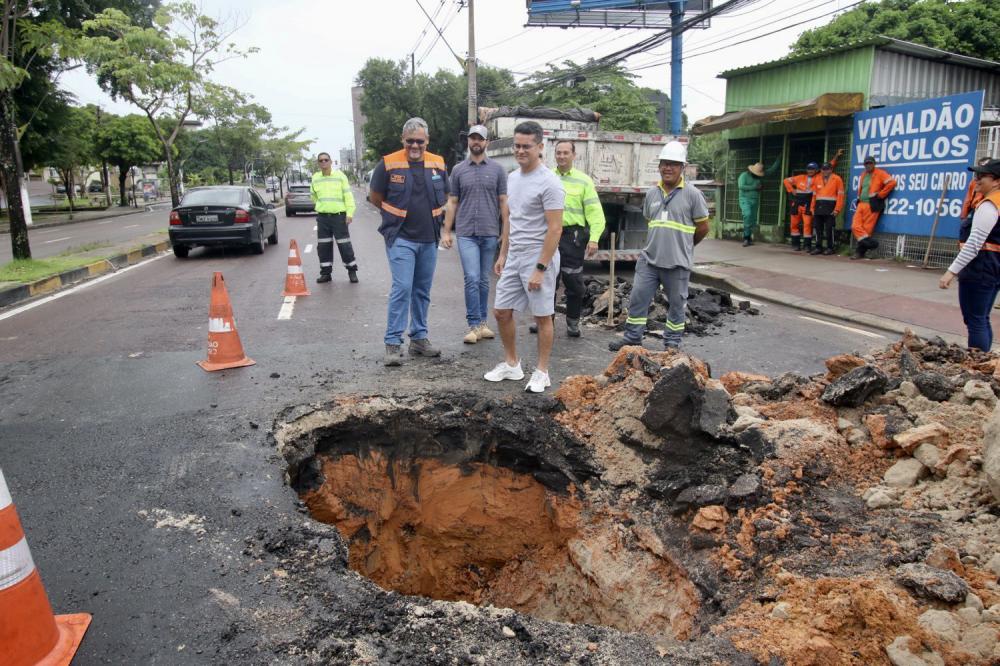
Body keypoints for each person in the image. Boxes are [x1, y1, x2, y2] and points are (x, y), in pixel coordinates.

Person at [484, 121, 564, 393]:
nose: (520, 151)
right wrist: (503, 252)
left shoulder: (550, 182)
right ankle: (512, 364)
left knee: (542, 316)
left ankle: (542, 371)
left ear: (540, 147)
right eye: (517, 145)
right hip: (515, 254)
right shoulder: (512, 177)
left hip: (538, 255)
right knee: (501, 311)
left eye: (526, 146)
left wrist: (540, 268)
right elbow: (510, 218)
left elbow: (555, 228)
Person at [608, 141, 710, 352]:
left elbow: (703, 227)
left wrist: (686, 246)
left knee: (676, 305)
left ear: (683, 167)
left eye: (674, 164)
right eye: (664, 163)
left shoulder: (693, 195)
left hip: (677, 262)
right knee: (638, 298)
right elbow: (651, 221)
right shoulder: (652, 194)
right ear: (659, 166)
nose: (668, 168)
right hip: (650, 260)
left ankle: (672, 343)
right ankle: (632, 337)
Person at [369, 118, 449, 366]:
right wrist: (393, 217)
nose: (415, 145)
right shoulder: (389, 163)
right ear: (402, 140)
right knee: (402, 288)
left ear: (427, 141)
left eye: (420, 141)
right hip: (400, 237)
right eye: (410, 140)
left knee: (422, 291)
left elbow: (444, 194)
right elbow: (375, 196)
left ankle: (419, 338)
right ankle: (393, 343)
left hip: (429, 238)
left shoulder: (438, 163)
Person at [529, 140, 606, 337]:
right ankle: (545, 322)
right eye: (558, 153)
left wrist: (594, 238)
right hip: (547, 236)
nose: (562, 156)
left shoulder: (584, 181)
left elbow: (595, 212)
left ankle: (573, 322)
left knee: (573, 281)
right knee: (546, 280)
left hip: (572, 237)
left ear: (574, 155)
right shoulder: (546, 177)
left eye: (566, 153)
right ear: (554, 155)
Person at [441, 124, 508, 344]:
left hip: (489, 232)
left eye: (480, 139)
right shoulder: (459, 170)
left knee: (483, 281)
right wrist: (447, 231)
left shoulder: (498, 170)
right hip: (466, 232)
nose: (476, 142)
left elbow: (503, 202)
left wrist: (506, 229)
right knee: (471, 278)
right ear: (468, 142)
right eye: (473, 138)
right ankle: (473, 325)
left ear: (487, 142)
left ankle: (482, 323)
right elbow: (452, 201)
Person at [939, 158, 1000, 351]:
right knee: (981, 318)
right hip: (993, 268)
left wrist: (951, 271)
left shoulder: (989, 206)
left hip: (979, 269)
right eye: (976, 175)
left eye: (982, 176)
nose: (977, 179)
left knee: (975, 320)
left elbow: (974, 244)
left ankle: (977, 367)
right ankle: (985, 361)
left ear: (996, 180)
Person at [310, 152, 358, 283]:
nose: (324, 162)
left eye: (326, 160)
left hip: (339, 217)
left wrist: (349, 213)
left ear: (331, 162)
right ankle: (326, 273)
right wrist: (322, 206)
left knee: (344, 245)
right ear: (318, 163)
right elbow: (313, 196)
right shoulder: (315, 178)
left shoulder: (340, 176)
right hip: (323, 218)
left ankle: (352, 271)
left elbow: (348, 196)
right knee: (323, 246)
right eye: (321, 161)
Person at [782, 150, 841, 252]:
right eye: (809, 169)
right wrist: (792, 190)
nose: (810, 171)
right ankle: (795, 244)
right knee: (794, 224)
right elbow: (786, 180)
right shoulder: (800, 177)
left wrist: (836, 156)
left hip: (808, 203)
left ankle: (807, 245)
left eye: (812, 169)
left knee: (807, 224)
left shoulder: (819, 177)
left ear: (817, 170)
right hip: (796, 203)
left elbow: (829, 166)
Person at [851, 156, 897, 260]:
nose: (868, 165)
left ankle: (859, 253)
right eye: (866, 164)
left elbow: (892, 183)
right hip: (861, 203)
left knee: (867, 230)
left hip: (872, 204)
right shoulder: (863, 174)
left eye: (870, 163)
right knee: (855, 226)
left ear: (874, 164)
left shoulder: (880, 173)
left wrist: (881, 195)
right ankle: (873, 244)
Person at [737, 157, 780, 246]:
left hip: (755, 200)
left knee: (752, 220)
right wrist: (755, 187)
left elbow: (771, 170)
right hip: (745, 199)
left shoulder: (759, 176)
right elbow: (741, 186)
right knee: (747, 215)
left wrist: (779, 159)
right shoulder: (744, 176)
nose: (757, 175)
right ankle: (746, 238)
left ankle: (748, 238)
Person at [810, 161, 845, 255]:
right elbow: (814, 195)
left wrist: (837, 209)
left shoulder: (837, 179)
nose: (825, 171)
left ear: (831, 170)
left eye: (827, 169)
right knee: (817, 228)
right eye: (823, 169)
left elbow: (840, 195)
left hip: (830, 207)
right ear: (821, 170)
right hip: (818, 207)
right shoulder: (817, 179)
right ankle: (818, 247)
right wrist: (812, 208)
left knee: (830, 229)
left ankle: (830, 247)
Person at [961, 157, 992, 223]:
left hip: (988, 210)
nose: (977, 178)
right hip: (975, 209)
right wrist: (964, 213)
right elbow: (968, 198)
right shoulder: (973, 182)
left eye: (983, 174)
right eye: (978, 174)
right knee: (965, 229)